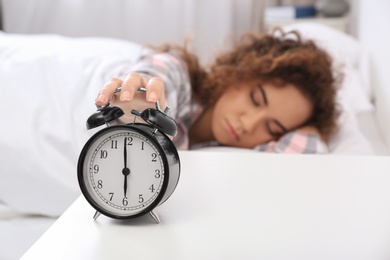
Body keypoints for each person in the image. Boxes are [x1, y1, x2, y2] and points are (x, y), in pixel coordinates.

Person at [95, 28, 340, 154]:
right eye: (255, 100)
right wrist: (142, 93)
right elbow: (156, 76)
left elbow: (307, 153)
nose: (248, 124)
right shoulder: (179, 76)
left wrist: (312, 127)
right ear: (240, 73)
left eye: (272, 128)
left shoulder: (237, 156)